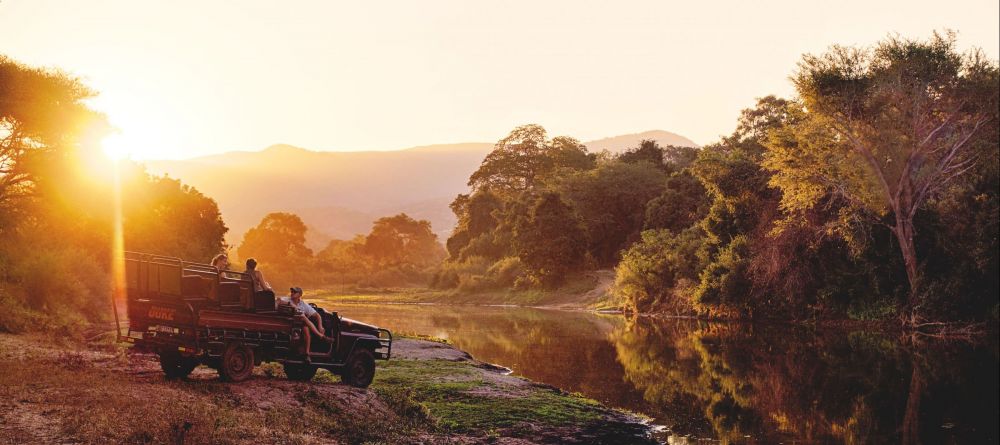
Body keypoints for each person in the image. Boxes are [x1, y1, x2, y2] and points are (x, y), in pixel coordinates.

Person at [279, 287, 332, 361]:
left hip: (299, 325)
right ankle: (320, 336)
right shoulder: (287, 300)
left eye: (295, 292)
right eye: (292, 292)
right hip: (288, 323)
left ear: (300, 294)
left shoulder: (303, 304)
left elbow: (317, 315)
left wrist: (320, 326)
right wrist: (289, 304)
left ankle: (307, 354)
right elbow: (278, 300)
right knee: (302, 316)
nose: (292, 293)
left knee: (306, 328)